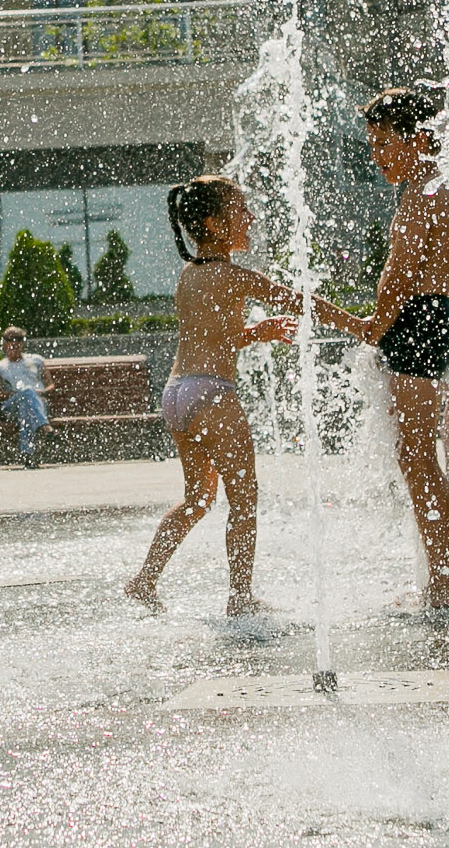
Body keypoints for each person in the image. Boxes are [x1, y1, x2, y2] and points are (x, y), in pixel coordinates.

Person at [126, 175, 355, 615]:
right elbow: (301, 302)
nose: (249, 217)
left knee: (197, 499)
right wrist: (360, 326)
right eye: (240, 210)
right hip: (213, 396)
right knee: (244, 499)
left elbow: (212, 336)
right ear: (213, 223)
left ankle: (144, 580)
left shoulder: (189, 275)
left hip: (178, 394)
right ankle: (240, 597)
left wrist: (255, 332)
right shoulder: (234, 275)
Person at [352, 86, 449, 610]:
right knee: (416, 460)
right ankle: (441, 574)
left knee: (419, 462)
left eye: (384, 144)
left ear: (420, 138)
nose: (378, 156)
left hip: (418, 325)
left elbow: (392, 288)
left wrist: (357, 319)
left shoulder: (424, 196)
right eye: (373, 146)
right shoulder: (433, 191)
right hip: (428, 321)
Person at [0, 326, 52, 467]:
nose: (14, 343)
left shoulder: (37, 360)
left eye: (18, 339)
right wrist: (21, 393)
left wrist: (41, 392)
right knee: (26, 394)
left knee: (26, 408)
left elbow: (50, 385)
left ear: (23, 342)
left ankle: (27, 455)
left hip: (35, 403)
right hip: (10, 407)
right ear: (4, 343)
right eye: (10, 339)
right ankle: (44, 426)